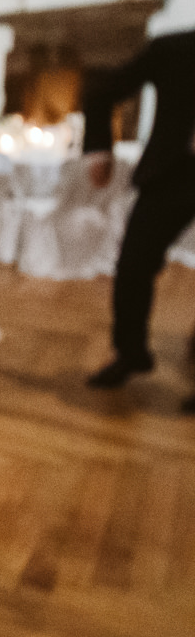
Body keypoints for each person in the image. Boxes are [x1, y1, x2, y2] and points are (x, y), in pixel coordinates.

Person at [81, 28, 195, 412]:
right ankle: (130, 352)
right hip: (174, 173)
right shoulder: (173, 50)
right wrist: (98, 150)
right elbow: (99, 92)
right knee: (134, 263)